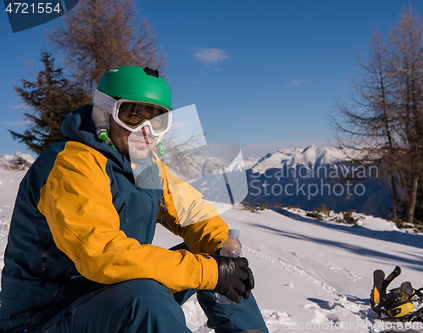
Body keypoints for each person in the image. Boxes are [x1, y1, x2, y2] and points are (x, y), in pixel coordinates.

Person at [0, 66, 268, 333]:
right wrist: (209, 273)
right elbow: (102, 254)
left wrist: (222, 250)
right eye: (132, 116)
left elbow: (194, 214)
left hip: (110, 298)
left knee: (216, 260)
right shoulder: (72, 165)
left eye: (157, 121)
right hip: (43, 319)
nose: (146, 130)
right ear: (104, 113)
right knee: (147, 298)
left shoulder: (143, 167)